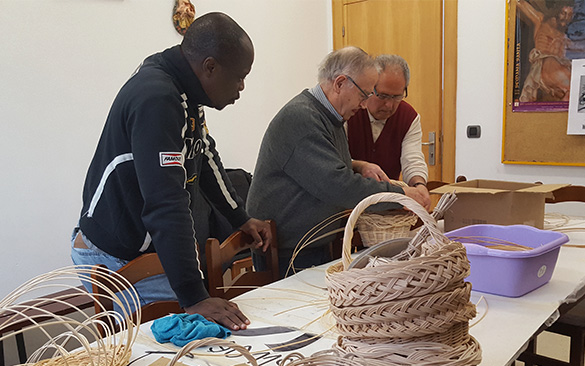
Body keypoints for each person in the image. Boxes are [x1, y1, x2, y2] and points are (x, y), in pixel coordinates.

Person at [71, 12, 272, 331]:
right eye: (239, 76)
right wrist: (194, 297)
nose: (242, 87)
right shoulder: (158, 98)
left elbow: (203, 156)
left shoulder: (184, 90)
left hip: (143, 246)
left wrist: (240, 218)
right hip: (114, 254)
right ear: (210, 67)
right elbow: (167, 203)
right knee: (171, 354)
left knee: (204, 340)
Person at [246, 47, 429, 278]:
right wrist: (398, 194)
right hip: (290, 251)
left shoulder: (330, 116)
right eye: (364, 95)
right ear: (340, 83)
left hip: (313, 243)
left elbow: (328, 166)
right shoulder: (302, 118)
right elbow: (338, 185)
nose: (364, 105)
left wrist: (357, 165)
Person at [346, 54, 430, 210]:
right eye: (383, 96)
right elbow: (336, 162)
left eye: (397, 96)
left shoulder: (409, 117)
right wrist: (360, 166)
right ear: (370, 88)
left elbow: (412, 159)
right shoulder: (350, 111)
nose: (389, 105)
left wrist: (419, 185)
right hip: (348, 205)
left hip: (387, 208)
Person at [516, 0, 575, 102]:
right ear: (557, 12)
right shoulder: (540, 20)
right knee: (570, 81)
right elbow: (520, 3)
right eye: (563, 13)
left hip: (557, 76)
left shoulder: (565, 38)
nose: (566, 18)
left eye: (569, 15)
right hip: (543, 68)